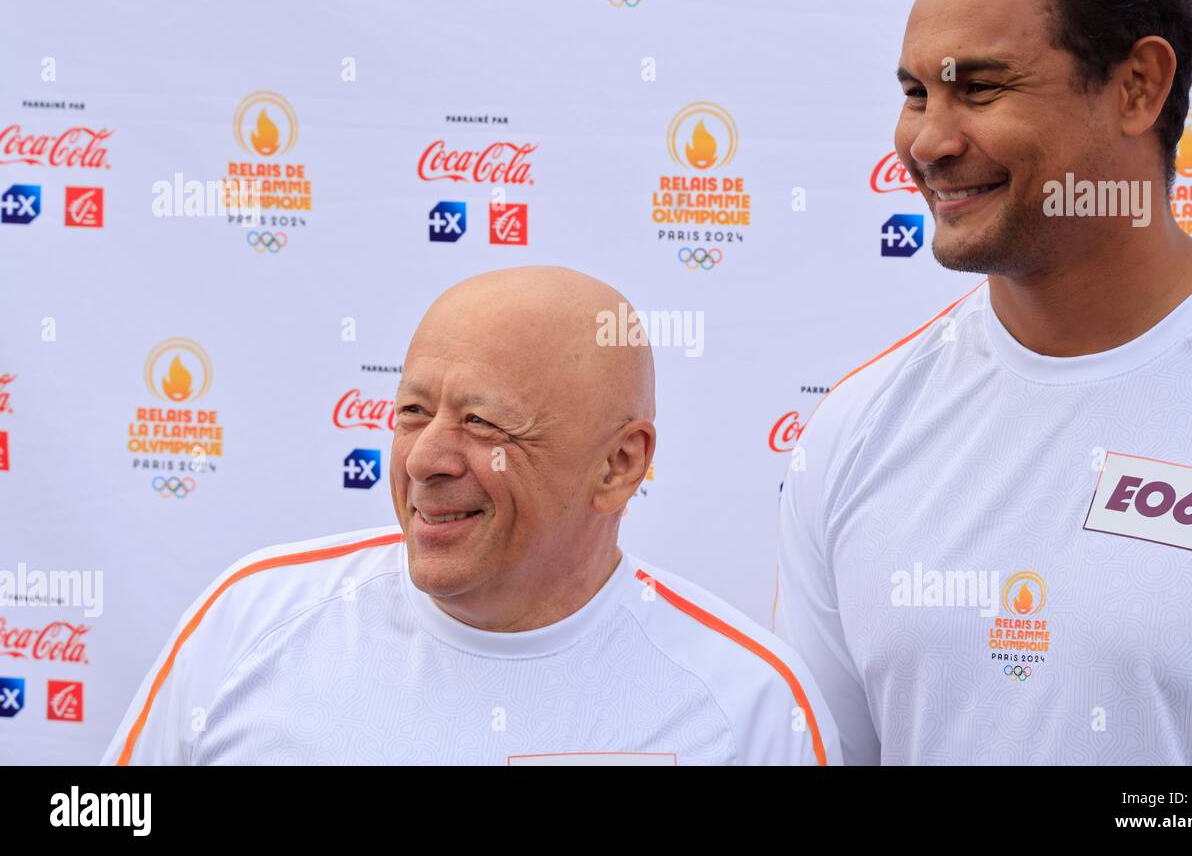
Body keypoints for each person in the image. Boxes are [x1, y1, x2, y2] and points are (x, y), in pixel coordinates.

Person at [777, 0, 1192, 764]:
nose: (929, 141)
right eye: (916, 93)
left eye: (979, 87)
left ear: (1138, 87)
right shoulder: (854, 427)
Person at [105, 266, 838, 765]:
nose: (425, 458)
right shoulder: (252, 619)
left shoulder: (752, 707)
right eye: (413, 412)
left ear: (618, 465)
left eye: (483, 422)